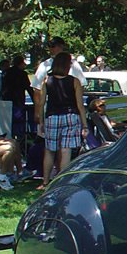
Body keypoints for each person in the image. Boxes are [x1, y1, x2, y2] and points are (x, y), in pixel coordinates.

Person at [37, 51, 88, 189]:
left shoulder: (47, 80)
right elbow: (80, 105)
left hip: (52, 116)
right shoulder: (74, 81)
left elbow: (41, 103)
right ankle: (62, 181)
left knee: (49, 150)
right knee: (66, 150)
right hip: (71, 116)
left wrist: (41, 121)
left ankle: (45, 181)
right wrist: (85, 125)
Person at [32, 37, 86, 105]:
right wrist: (37, 111)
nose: (50, 49)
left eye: (53, 46)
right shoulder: (44, 65)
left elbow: (81, 86)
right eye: (49, 46)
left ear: (61, 46)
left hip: (70, 107)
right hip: (51, 108)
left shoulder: (74, 65)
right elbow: (37, 89)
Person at [0, 55, 32, 146]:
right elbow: (28, 88)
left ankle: (9, 139)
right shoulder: (22, 74)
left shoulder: (6, 73)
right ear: (20, 63)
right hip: (18, 100)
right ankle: (19, 142)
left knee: (8, 122)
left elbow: (3, 88)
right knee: (19, 122)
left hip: (7, 101)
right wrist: (35, 99)